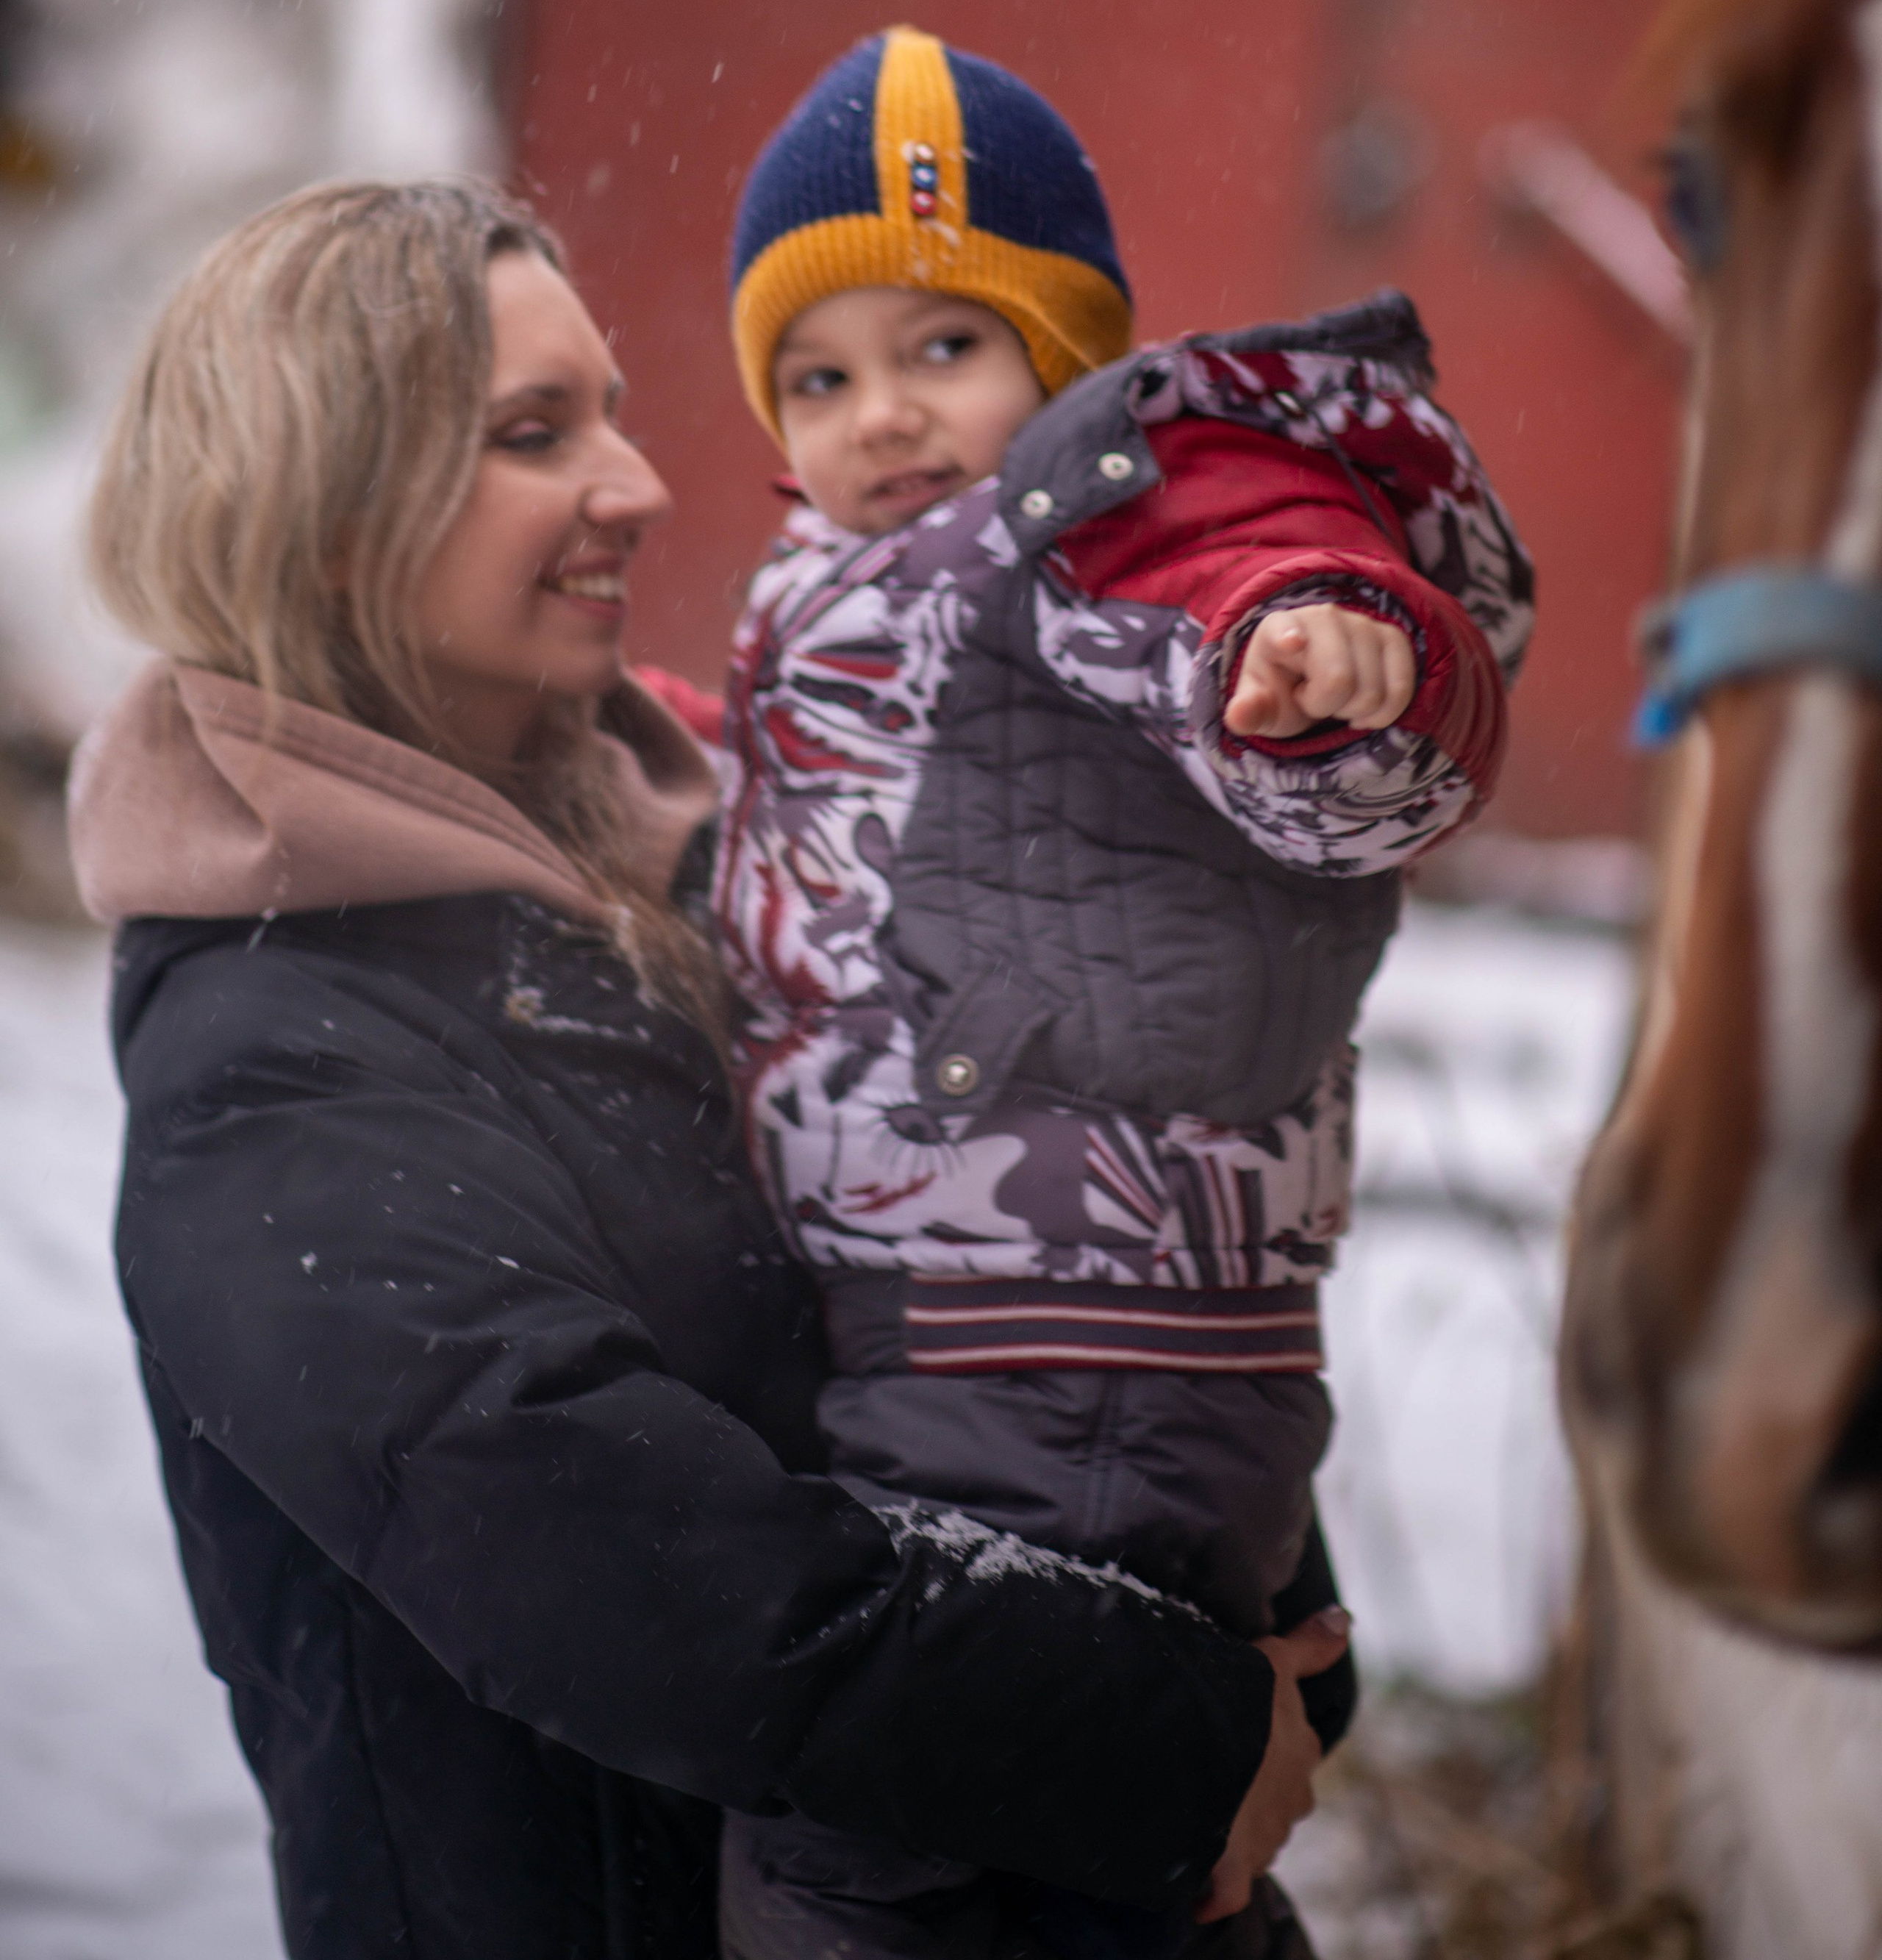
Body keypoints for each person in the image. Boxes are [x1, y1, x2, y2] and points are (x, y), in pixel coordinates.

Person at [67, 179, 1350, 1960]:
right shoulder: (278, 1049)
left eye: (605, 406)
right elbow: (610, 1561)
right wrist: (1168, 1726)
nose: (640, 481)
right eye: (534, 433)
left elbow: (1009, 1230)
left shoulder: (721, 868)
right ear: (330, 513)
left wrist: (1240, 1581)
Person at [695, 29, 1534, 1960]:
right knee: (1086, 1841)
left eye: (945, 346)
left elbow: (1253, 569)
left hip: (1060, 1337)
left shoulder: (1103, 507)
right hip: (998, 1332)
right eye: (821, 372)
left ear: (1069, 356)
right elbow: (859, 844)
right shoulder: (857, 584)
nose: (882, 412)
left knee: (872, 1848)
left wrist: (1315, 656)